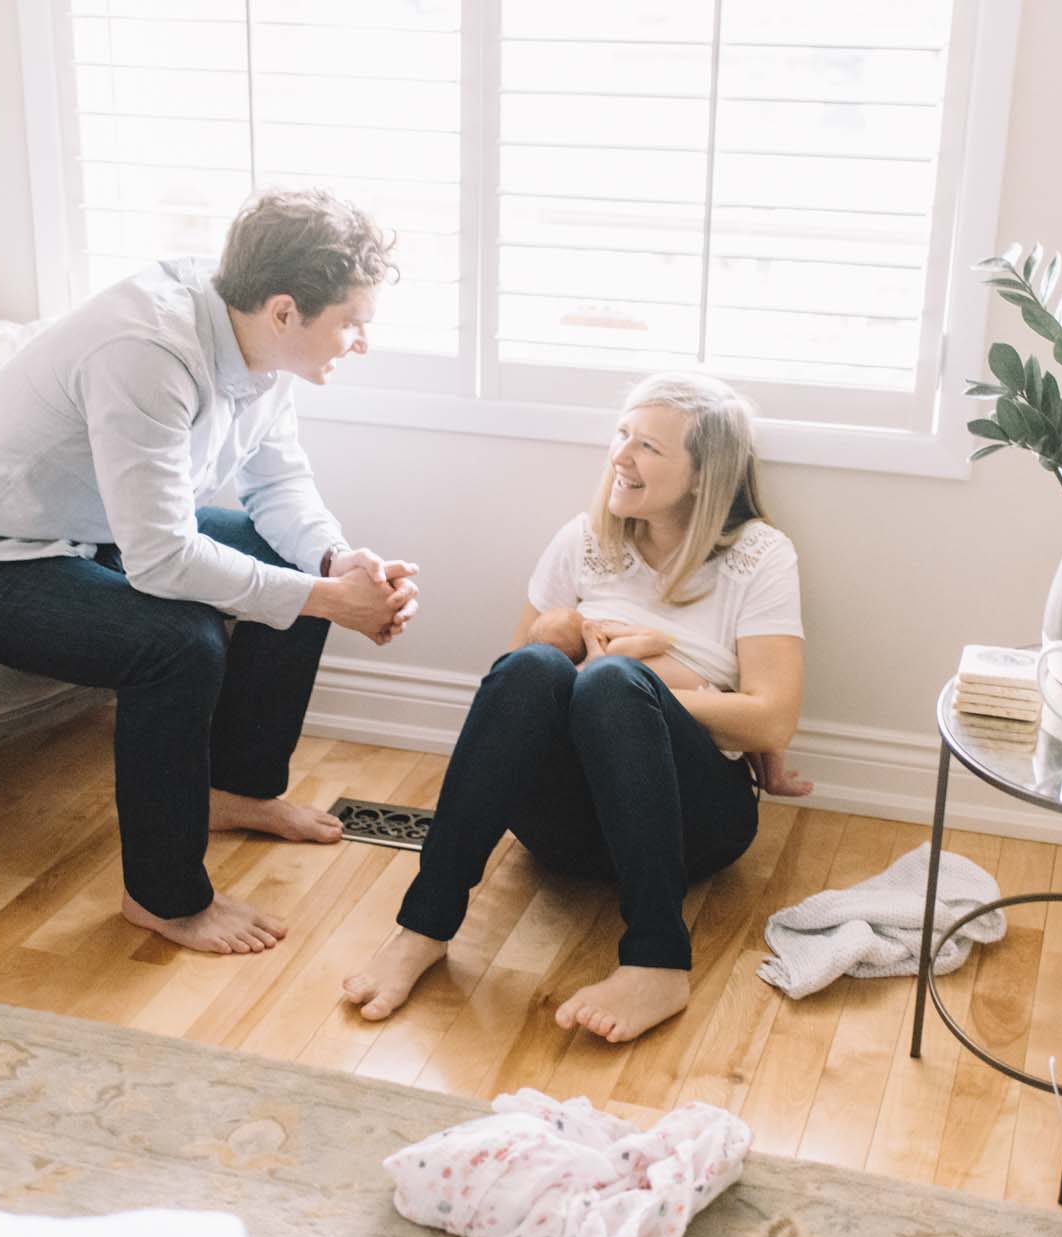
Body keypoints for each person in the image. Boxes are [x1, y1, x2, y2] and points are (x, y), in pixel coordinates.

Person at [0, 189, 419, 957]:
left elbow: (276, 486)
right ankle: (164, 898)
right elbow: (163, 557)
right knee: (181, 641)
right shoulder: (148, 350)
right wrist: (328, 601)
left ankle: (238, 789)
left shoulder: (260, 339)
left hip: (103, 533)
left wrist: (333, 561)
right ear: (285, 310)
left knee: (285, 556)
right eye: (352, 322)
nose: (360, 342)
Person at [343, 372, 807, 1043]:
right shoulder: (584, 540)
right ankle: (423, 927)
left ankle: (657, 960)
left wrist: (643, 678)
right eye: (621, 434)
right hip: (565, 830)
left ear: (706, 476)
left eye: (648, 445)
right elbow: (512, 693)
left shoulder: (759, 555)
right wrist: (584, 666)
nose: (621, 455)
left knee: (612, 683)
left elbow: (772, 719)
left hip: (691, 822)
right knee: (532, 666)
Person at [524, 607, 813, 798]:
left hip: (686, 706)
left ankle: (771, 777)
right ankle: (773, 777)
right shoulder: (613, 648)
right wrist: (620, 630)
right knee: (758, 731)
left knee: (759, 726)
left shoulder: (577, 671)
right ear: (588, 629)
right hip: (697, 702)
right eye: (584, 619)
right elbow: (660, 641)